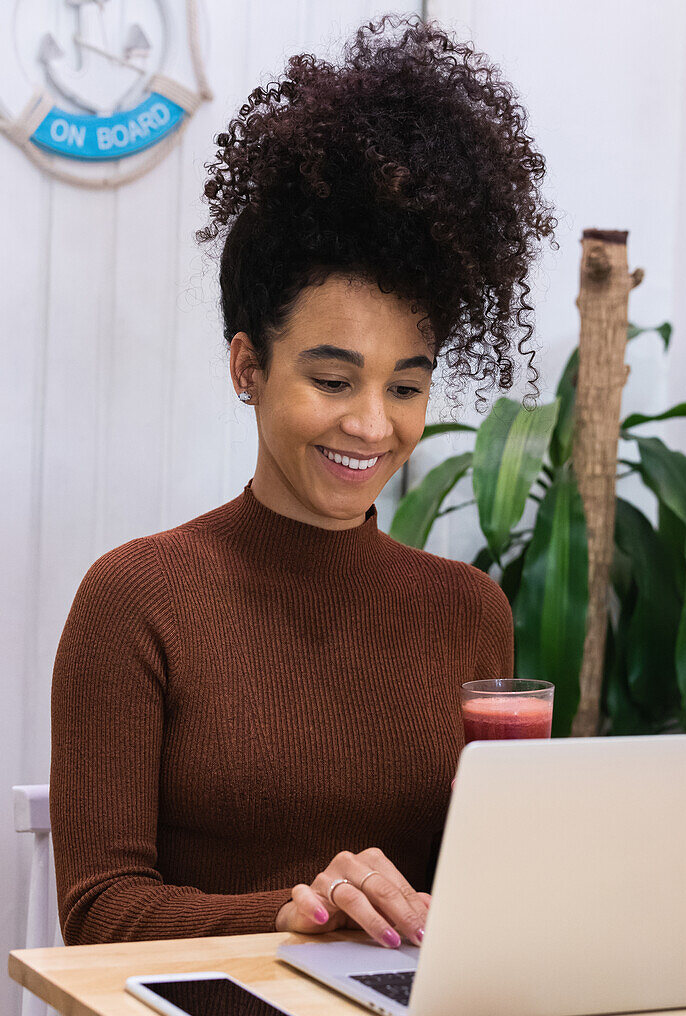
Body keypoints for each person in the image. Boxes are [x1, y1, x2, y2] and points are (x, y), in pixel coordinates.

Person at [50, 14, 557, 948]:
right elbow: (98, 909)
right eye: (331, 379)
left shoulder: (469, 611)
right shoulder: (136, 599)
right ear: (247, 366)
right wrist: (292, 916)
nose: (372, 424)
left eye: (405, 385)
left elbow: (474, 893)